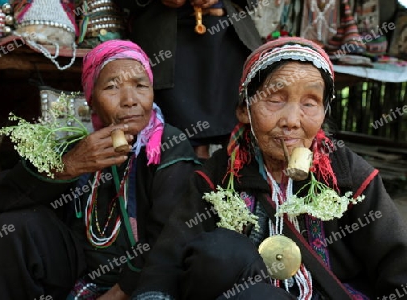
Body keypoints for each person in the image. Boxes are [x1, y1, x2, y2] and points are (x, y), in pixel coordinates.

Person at [130, 37, 407, 300]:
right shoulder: (219, 174)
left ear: (323, 113)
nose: (292, 120)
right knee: (221, 253)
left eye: (310, 103)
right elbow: (169, 258)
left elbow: (397, 263)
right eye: (275, 99)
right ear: (244, 110)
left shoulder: (347, 173)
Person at [0, 40, 200, 300]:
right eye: (112, 87)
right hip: (81, 276)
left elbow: (171, 235)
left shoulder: (168, 145)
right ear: (91, 101)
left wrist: (120, 292)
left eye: (141, 86)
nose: (130, 101)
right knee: (15, 225)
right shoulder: (79, 146)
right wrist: (69, 166)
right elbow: (1, 198)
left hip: (144, 280)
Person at [118, 0, 262, 160]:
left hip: (225, 34)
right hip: (165, 43)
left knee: (239, 141)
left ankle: (232, 178)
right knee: (180, 144)